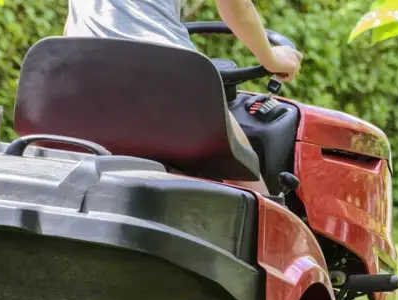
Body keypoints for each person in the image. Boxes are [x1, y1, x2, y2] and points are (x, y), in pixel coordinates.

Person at [64, 0, 303, 194]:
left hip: (75, 80)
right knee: (250, 183)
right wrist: (271, 58)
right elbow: (236, 7)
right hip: (164, 78)